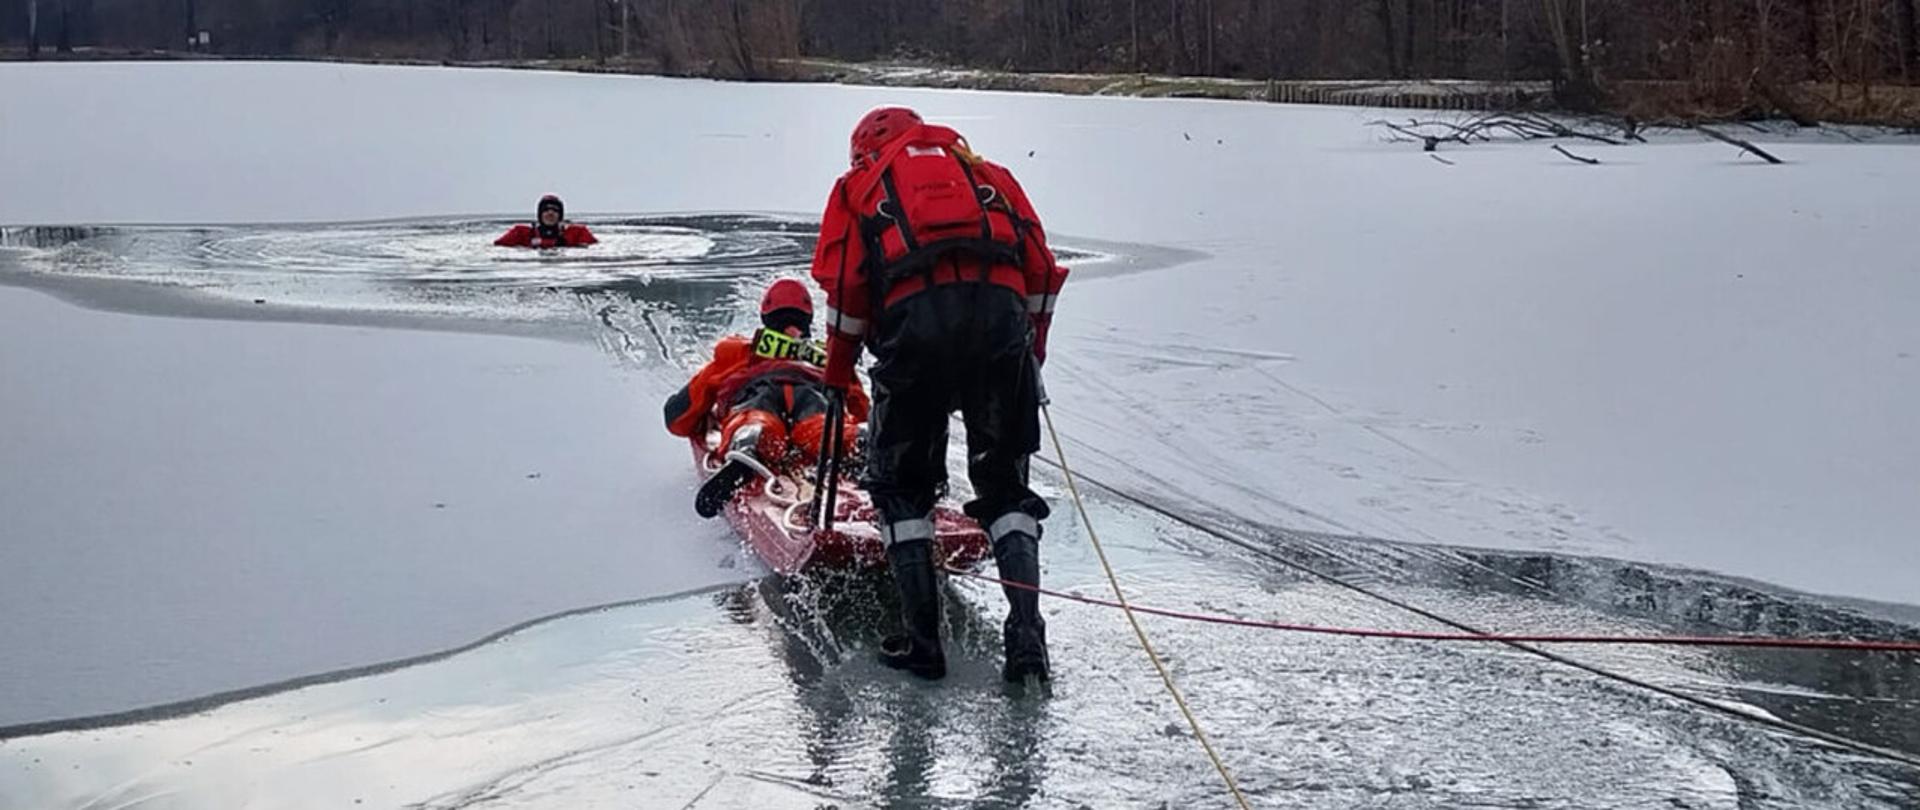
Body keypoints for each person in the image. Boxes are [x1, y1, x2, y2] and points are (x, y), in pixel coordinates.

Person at [808, 106, 1068, 682]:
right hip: (1001, 330)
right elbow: (1042, 270)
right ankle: (1027, 634)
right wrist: (1031, 352)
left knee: (901, 488)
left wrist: (838, 373)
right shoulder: (989, 176)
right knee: (1005, 487)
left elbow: (847, 292)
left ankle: (923, 642)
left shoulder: (860, 188)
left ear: (863, 151)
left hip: (913, 335)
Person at [664, 279, 869, 518]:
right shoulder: (830, 358)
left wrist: (691, 417)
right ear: (808, 320)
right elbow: (860, 407)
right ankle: (857, 445)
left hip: (757, 394)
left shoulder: (739, 351)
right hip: (813, 398)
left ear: (766, 317)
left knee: (755, 421)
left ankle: (748, 448)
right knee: (828, 430)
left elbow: (678, 420)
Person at [494, 194, 598, 248]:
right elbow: (498, 246)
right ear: (539, 214)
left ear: (560, 215)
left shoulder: (577, 233)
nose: (550, 213)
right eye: (546, 210)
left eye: (555, 210)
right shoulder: (521, 233)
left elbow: (594, 248)